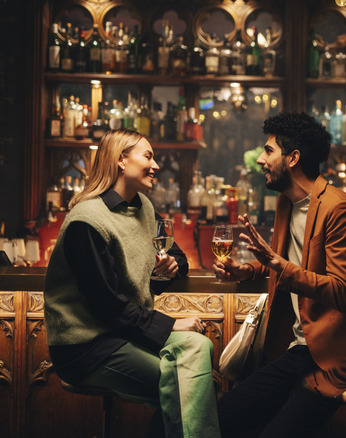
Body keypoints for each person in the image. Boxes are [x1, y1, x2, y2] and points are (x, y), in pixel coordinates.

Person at [43, 129, 220, 437]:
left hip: (124, 332)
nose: (155, 166)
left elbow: (175, 253)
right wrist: (169, 325)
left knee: (200, 346)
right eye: (148, 156)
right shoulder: (87, 221)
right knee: (189, 384)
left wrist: (170, 266)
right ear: (121, 160)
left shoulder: (143, 207)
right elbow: (107, 305)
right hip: (88, 346)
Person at [213, 112, 346, 437]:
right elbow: (284, 261)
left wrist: (278, 265)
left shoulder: (338, 209)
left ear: (293, 158)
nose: (260, 159)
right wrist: (246, 269)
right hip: (294, 348)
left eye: (268, 150)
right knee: (222, 416)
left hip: (332, 356)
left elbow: (343, 291)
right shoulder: (287, 202)